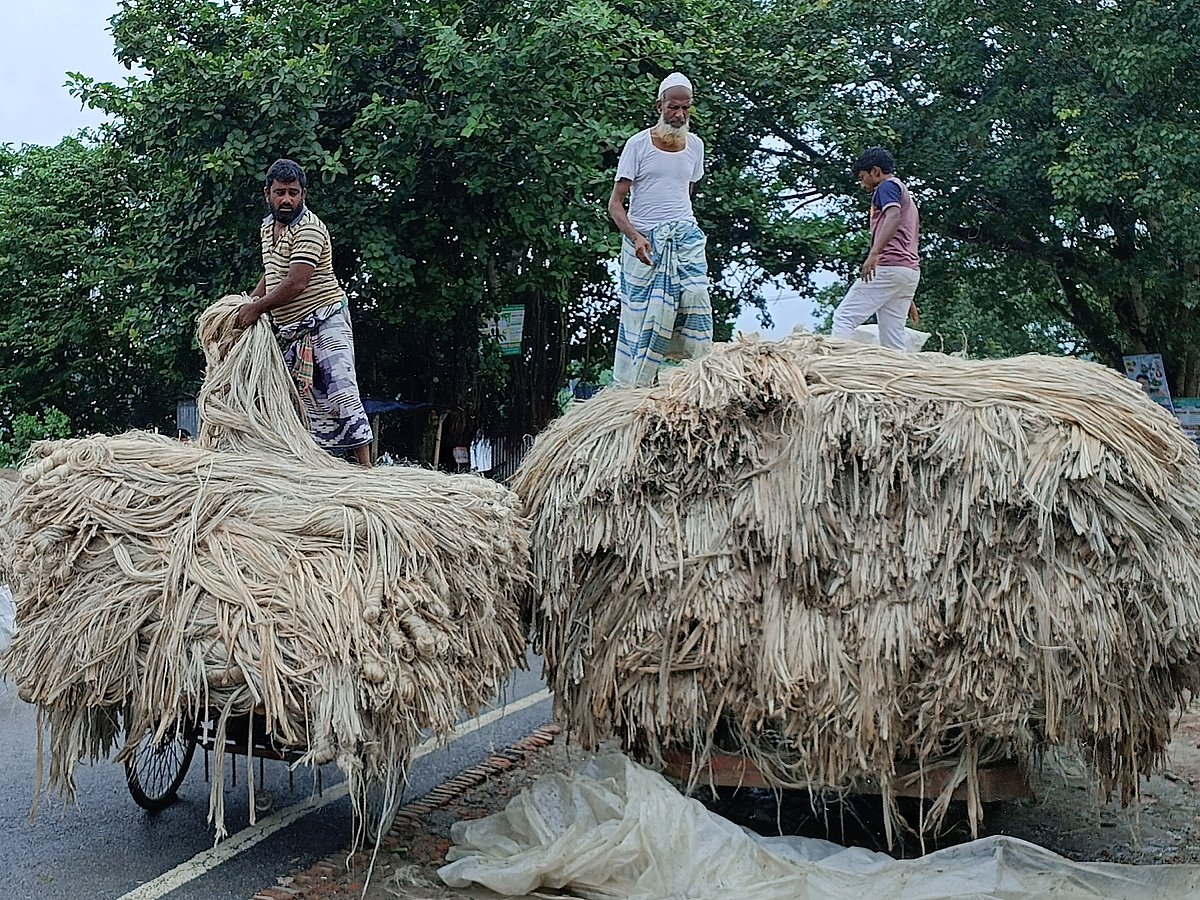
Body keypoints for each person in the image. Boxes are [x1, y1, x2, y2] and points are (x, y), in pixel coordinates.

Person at [236, 159, 373, 465]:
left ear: (303, 195)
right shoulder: (266, 227)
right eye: (280, 192)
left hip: (325, 320)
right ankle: (312, 464)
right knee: (298, 401)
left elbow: (296, 282)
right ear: (267, 194)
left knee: (340, 388)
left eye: (293, 193)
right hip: (290, 331)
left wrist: (256, 309)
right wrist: (247, 301)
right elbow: (272, 271)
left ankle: (366, 468)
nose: (287, 199)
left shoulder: (309, 228)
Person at [607, 72, 713, 387]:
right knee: (646, 318)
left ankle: (700, 377)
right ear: (660, 106)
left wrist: (682, 224)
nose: (679, 115)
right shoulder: (637, 145)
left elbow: (685, 192)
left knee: (696, 298)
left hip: (685, 238)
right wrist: (637, 237)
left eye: (685, 108)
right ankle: (639, 387)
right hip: (646, 242)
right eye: (673, 107)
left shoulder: (695, 146)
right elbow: (615, 204)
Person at [831, 147, 921, 351]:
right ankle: (900, 378)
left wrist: (874, 253)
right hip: (907, 272)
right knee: (893, 338)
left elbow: (893, 216)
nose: (862, 184)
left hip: (889, 267)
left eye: (863, 177)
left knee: (844, 317)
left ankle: (836, 369)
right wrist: (903, 290)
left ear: (876, 171)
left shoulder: (886, 187)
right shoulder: (904, 192)